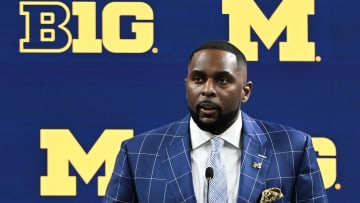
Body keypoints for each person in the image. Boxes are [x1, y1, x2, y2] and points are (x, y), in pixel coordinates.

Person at [103, 40, 328, 203]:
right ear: (186, 85)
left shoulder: (292, 148)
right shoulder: (138, 153)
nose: (207, 90)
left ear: (245, 92)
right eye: (198, 79)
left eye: (222, 80)